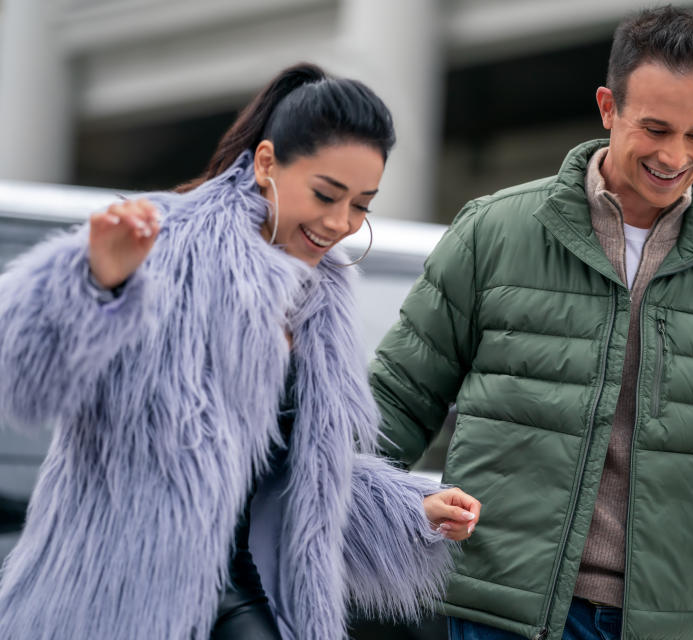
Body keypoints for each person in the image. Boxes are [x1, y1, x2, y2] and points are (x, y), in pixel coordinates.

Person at [370, 6, 693, 640]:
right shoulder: (493, 234)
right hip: (507, 615)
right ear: (608, 107)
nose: (675, 155)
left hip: (666, 622)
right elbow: (397, 399)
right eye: (655, 128)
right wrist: (325, 505)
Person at [0, 63, 481, 640]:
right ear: (266, 164)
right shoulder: (164, 244)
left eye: (361, 205)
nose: (339, 223)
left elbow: (301, 480)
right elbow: (25, 379)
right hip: (123, 596)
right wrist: (98, 283)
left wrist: (410, 513)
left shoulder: (320, 301)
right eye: (326, 194)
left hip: (246, 590)